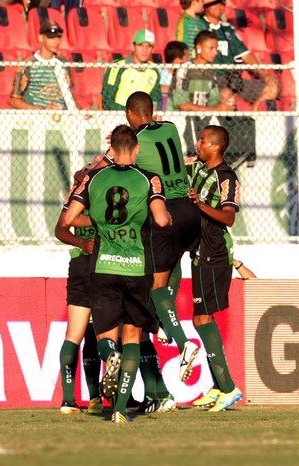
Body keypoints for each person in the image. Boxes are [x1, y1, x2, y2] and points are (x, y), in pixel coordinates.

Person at [59, 125, 171, 424]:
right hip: (135, 265)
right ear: (135, 149)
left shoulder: (93, 178)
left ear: (113, 147)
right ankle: (121, 409)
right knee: (133, 334)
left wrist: (97, 219)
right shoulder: (148, 179)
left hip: (103, 265)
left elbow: (68, 218)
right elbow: (161, 219)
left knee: (104, 335)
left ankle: (110, 357)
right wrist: (165, 215)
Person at [126, 91, 202, 384]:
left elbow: (123, 161)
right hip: (189, 210)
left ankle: (183, 343)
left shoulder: (135, 142)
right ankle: (163, 325)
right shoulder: (169, 127)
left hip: (166, 212)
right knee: (173, 265)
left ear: (130, 115)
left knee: (156, 286)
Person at [187, 125, 243, 412]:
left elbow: (228, 217)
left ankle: (229, 387)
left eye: (202, 140)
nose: (198, 144)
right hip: (198, 251)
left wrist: (199, 204)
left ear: (216, 146)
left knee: (203, 318)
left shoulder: (227, 178)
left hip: (215, 252)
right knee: (200, 319)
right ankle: (219, 386)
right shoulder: (195, 166)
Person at [54, 153, 111, 415]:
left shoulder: (76, 191)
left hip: (79, 265)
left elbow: (61, 229)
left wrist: (79, 242)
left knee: (75, 336)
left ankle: (71, 400)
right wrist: (86, 241)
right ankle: (113, 393)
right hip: (105, 265)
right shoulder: (109, 190)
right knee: (108, 334)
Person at [200, 0, 278, 111]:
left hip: (234, 78)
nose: (219, 6)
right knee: (226, 93)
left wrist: (264, 75)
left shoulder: (228, 29)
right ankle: (225, 126)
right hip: (213, 78)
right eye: (215, 3)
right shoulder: (198, 24)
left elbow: (246, 55)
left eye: (222, 3)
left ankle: (255, 117)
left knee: (272, 87)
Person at [10, 20, 77, 110]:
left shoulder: (63, 63)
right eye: (51, 37)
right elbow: (14, 101)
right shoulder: (27, 64)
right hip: (38, 118)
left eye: (58, 37)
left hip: (63, 116)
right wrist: (39, 110)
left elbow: (70, 96)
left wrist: (81, 111)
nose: (56, 41)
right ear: (41, 38)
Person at [167, 30, 235, 112]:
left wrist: (223, 107)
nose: (215, 52)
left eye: (216, 49)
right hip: (180, 119)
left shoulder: (210, 72)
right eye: (211, 48)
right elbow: (183, 105)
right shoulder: (184, 69)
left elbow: (214, 101)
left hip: (202, 119)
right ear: (198, 48)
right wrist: (213, 109)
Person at [102, 29, 162, 111]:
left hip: (143, 118)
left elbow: (156, 98)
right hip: (118, 116)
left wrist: (155, 110)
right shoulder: (118, 67)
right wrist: (131, 113)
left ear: (153, 49)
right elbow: (107, 100)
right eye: (140, 45)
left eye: (148, 46)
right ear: (133, 46)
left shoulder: (153, 70)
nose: (145, 50)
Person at [160, 41, 189, 111]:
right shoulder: (158, 73)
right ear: (177, 61)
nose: (189, 60)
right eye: (187, 57)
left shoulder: (188, 74)